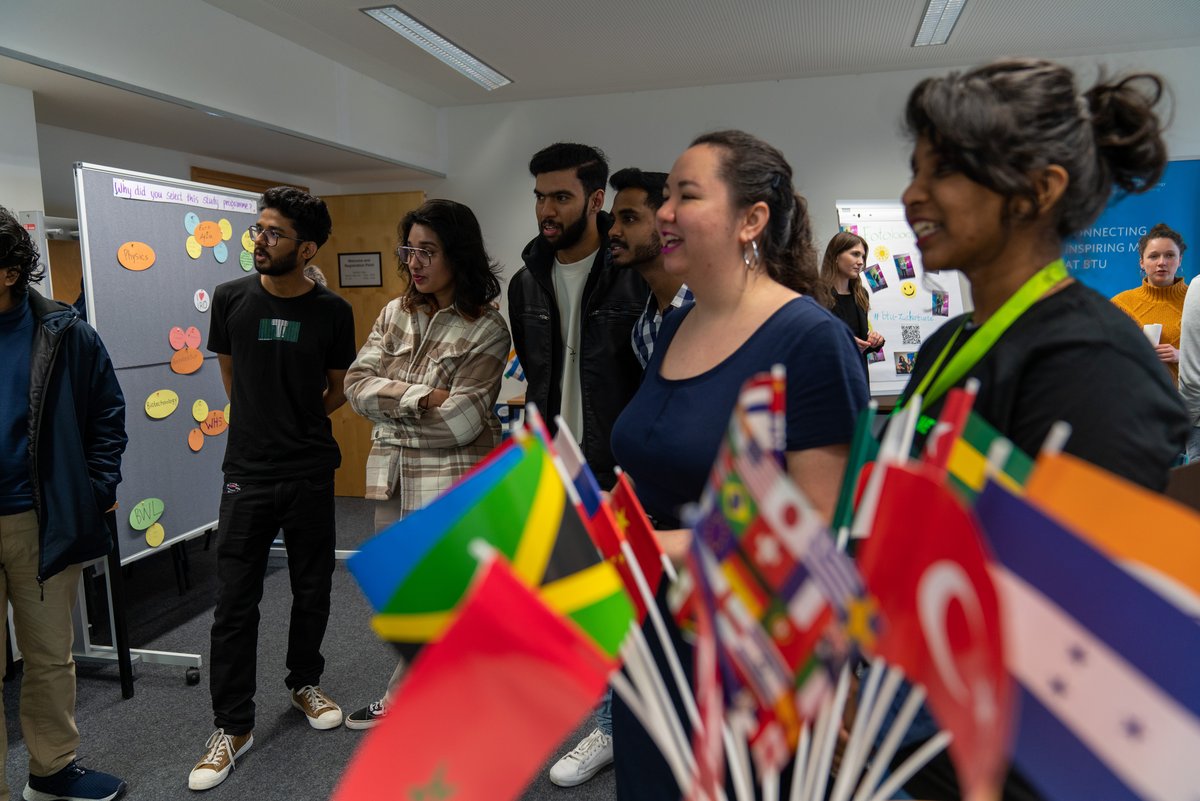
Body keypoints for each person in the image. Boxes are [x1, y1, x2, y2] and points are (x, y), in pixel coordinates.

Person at [888, 58, 1187, 800]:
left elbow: (1090, 657)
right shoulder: (950, 345)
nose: (913, 194)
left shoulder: (1089, 365)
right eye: (915, 168)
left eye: (945, 171)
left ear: (1038, 191)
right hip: (916, 730)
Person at [608, 130, 869, 800]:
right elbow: (652, 460)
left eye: (685, 194)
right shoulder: (676, 323)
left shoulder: (811, 340)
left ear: (751, 220)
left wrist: (639, 544)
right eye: (664, 195)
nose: (664, 211)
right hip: (653, 631)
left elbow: (813, 531)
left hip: (747, 648)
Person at [189, 187, 356, 792]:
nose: (259, 242)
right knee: (235, 602)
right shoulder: (232, 299)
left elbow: (339, 386)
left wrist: (297, 417)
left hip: (311, 468)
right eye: (257, 231)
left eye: (274, 234)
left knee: (312, 587)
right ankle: (232, 726)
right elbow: (231, 373)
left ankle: (303, 682)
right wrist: (263, 419)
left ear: (306, 246)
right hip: (248, 472)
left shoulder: (333, 311)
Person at [341, 199, 510, 729]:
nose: (414, 261)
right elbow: (353, 386)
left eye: (427, 251)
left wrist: (393, 404)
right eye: (409, 249)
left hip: (451, 483)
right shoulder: (395, 312)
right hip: (391, 478)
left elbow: (460, 423)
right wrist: (425, 397)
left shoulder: (487, 329)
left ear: (458, 254)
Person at [549, 167, 691, 788]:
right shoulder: (647, 323)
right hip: (635, 501)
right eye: (616, 218)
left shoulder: (702, 318)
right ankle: (619, 727)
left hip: (694, 531)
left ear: (669, 228)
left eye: (629, 217)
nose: (614, 230)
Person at [0, 207, 128, 801]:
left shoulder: (63, 331)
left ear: (7, 271)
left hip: (39, 519)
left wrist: (95, 488)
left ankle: (51, 769)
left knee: (50, 654)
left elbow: (107, 413)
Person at [508, 143, 648, 489]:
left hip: (616, 469)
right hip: (546, 466)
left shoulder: (635, 277)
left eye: (561, 198)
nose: (546, 211)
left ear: (596, 201)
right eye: (540, 198)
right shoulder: (525, 284)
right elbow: (536, 372)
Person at [1111, 222, 1188, 383]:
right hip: (1135, 398)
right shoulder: (1121, 304)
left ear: (1180, 259)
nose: (1161, 262)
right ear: (1142, 262)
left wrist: (1183, 356)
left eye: (1169, 255)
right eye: (1153, 256)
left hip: (1188, 403)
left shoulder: (1195, 299)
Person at [819, 231, 885, 381]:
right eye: (855, 254)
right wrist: (844, 341)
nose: (861, 261)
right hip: (829, 379)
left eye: (863, 256)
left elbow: (860, 341)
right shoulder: (816, 295)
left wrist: (874, 341)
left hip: (858, 376)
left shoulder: (861, 295)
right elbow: (810, 344)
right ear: (836, 256)